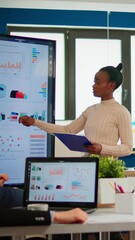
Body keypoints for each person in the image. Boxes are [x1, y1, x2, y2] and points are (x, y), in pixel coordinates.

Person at [19, 63, 133, 240]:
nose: (93, 85)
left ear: (111, 86)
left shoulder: (121, 112)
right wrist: (35, 123)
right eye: (93, 81)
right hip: (85, 173)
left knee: (105, 226)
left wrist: (101, 148)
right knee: (80, 221)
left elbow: (127, 148)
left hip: (106, 176)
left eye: (97, 82)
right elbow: (67, 130)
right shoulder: (91, 110)